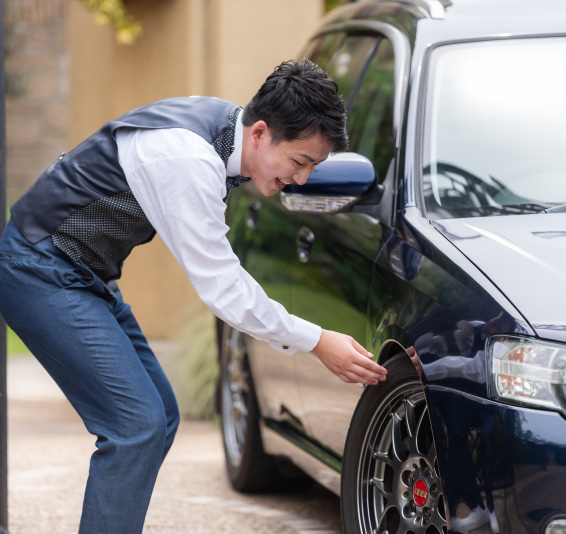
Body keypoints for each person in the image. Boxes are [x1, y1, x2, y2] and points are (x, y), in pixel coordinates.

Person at [0, 59, 387, 533]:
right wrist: (315, 340)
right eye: (300, 162)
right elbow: (222, 286)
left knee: (159, 416)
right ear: (262, 133)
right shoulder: (186, 157)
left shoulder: (226, 130)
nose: (301, 179)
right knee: (136, 428)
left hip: (82, 273)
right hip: (38, 266)